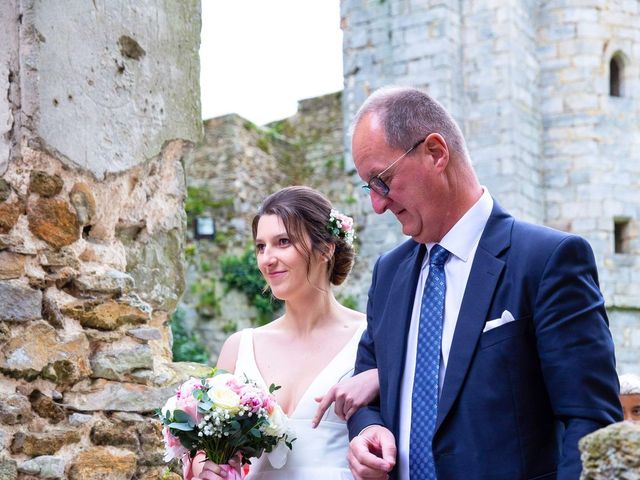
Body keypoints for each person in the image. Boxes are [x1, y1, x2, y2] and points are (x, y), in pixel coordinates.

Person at [346, 86, 623, 480]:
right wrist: (367, 428)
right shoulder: (388, 273)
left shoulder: (546, 260)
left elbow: (590, 421)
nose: (377, 204)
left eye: (382, 180)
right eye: (369, 186)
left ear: (436, 153)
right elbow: (367, 379)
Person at [184, 186, 379, 480]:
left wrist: (382, 376)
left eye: (283, 242)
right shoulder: (239, 347)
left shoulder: (372, 336)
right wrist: (210, 467)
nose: (267, 259)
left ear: (326, 248)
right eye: (261, 247)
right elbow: (204, 453)